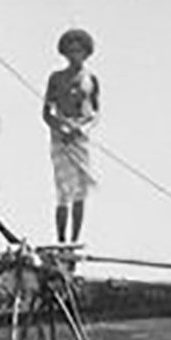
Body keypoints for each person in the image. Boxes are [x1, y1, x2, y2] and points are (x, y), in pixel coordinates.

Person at [43, 28, 100, 245]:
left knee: (80, 191)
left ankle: (75, 240)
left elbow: (94, 112)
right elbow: (47, 112)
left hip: (80, 138)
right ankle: (61, 240)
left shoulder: (90, 79)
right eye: (71, 51)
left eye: (79, 51)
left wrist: (82, 129)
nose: (75, 55)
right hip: (61, 136)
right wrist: (61, 128)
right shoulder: (56, 78)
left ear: (86, 53)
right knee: (62, 191)